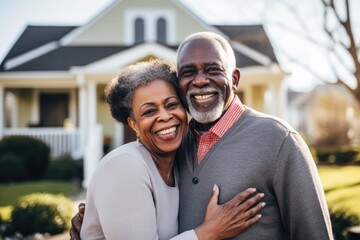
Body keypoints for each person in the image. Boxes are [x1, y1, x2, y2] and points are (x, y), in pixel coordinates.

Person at [71, 32, 334, 239]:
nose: (199, 81)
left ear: (234, 79)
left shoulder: (279, 140)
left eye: (212, 69)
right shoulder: (174, 144)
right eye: (188, 72)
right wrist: (100, 223)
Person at [77, 59, 265, 240]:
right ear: (134, 124)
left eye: (172, 105)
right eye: (150, 111)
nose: (165, 117)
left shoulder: (178, 164)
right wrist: (209, 232)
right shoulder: (125, 166)